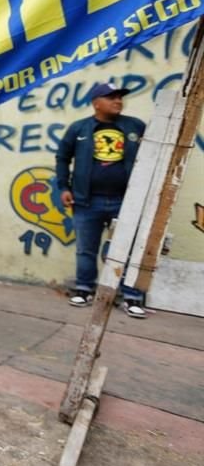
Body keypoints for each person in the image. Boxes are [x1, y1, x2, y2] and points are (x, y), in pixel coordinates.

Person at [56, 81, 147, 318]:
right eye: (111, 97)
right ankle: (85, 289)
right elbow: (62, 157)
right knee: (86, 249)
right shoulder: (79, 129)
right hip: (87, 201)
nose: (118, 101)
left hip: (126, 202)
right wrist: (63, 187)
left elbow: (152, 157)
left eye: (119, 97)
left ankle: (131, 296)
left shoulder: (135, 126)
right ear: (96, 103)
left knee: (128, 251)